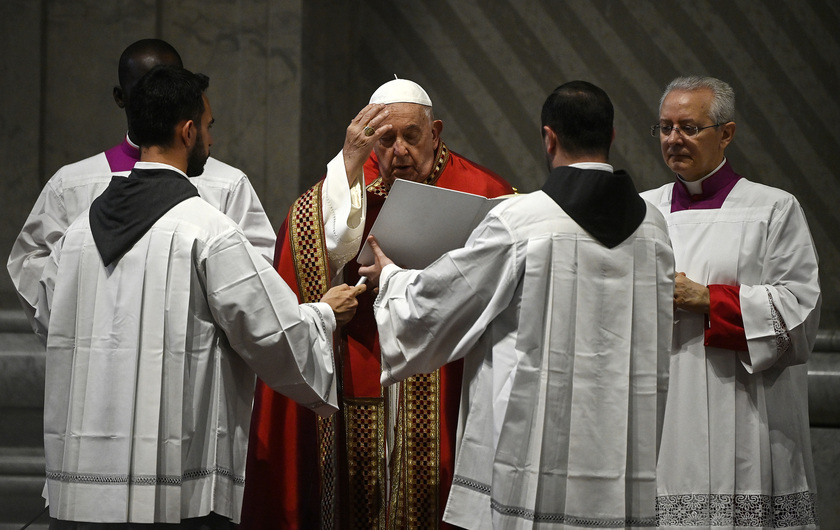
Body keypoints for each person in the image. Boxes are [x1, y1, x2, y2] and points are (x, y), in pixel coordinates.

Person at [34, 65, 364, 528]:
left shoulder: (76, 234)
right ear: (187, 132)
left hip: (83, 486)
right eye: (208, 127)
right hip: (176, 491)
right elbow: (269, 330)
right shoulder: (206, 230)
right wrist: (325, 315)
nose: (211, 139)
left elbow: (50, 321)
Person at [358, 80, 674, 529]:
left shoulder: (520, 221)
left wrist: (390, 277)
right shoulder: (655, 229)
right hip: (618, 443)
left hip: (532, 446)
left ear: (549, 137)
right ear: (613, 137)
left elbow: (440, 303)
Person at [240, 79, 514, 529]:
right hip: (364, 360)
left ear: (436, 131)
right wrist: (345, 165)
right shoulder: (350, 186)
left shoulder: (482, 189)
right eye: (386, 139)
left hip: (446, 368)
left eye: (412, 136)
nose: (400, 150)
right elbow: (304, 240)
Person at [641, 76, 821, 528]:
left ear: (726, 133)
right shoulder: (641, 213)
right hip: (664, 404)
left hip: (744, 406)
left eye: (689, 127)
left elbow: (799, 310)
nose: (674, 139)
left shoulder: (773, 209)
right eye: (665, 128)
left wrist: (709, 299)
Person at [8, 38, 276, 327]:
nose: (157, 97)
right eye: (146, 88)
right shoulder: (71, 186)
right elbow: (32, 272)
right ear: (120, 97)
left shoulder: (228, 185)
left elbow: (258, 281)